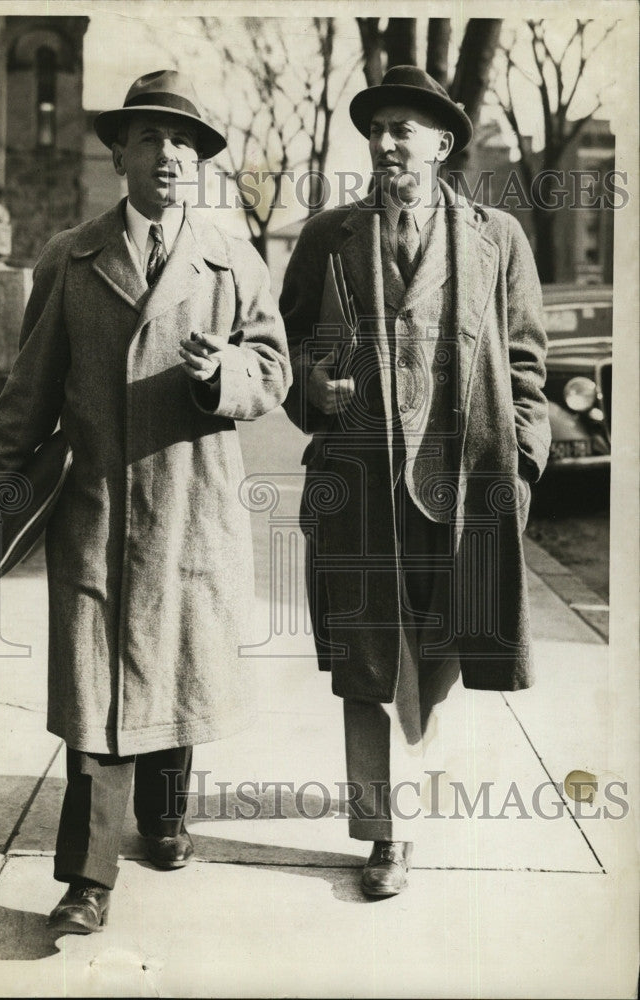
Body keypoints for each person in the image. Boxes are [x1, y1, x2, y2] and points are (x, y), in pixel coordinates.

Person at [0, 69, 291, 934]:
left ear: (201, 162)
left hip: (193, 505)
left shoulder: (234, 258)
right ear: (119, 154)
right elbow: (26, 394)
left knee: (175, 659)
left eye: (184, 141)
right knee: (96, 690)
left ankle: (167, 814)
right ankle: (87, 880)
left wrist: (224, 373)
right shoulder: (69, 258)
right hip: (97, 509)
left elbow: (272, 372)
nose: (169, 154)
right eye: (149, 137)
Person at [280, 65, 550, 898]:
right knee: (366, 662)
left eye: (404, 129)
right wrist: (309, 391)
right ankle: (384, 834)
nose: (386, 142)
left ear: (442, 144)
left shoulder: (496, 236)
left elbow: (528, 366)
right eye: (377, 128)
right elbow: (283, 352)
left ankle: (416, 804)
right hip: (357, 488)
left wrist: (524, 467)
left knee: (441, 655)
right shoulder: (327, 236)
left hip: (461, 485)